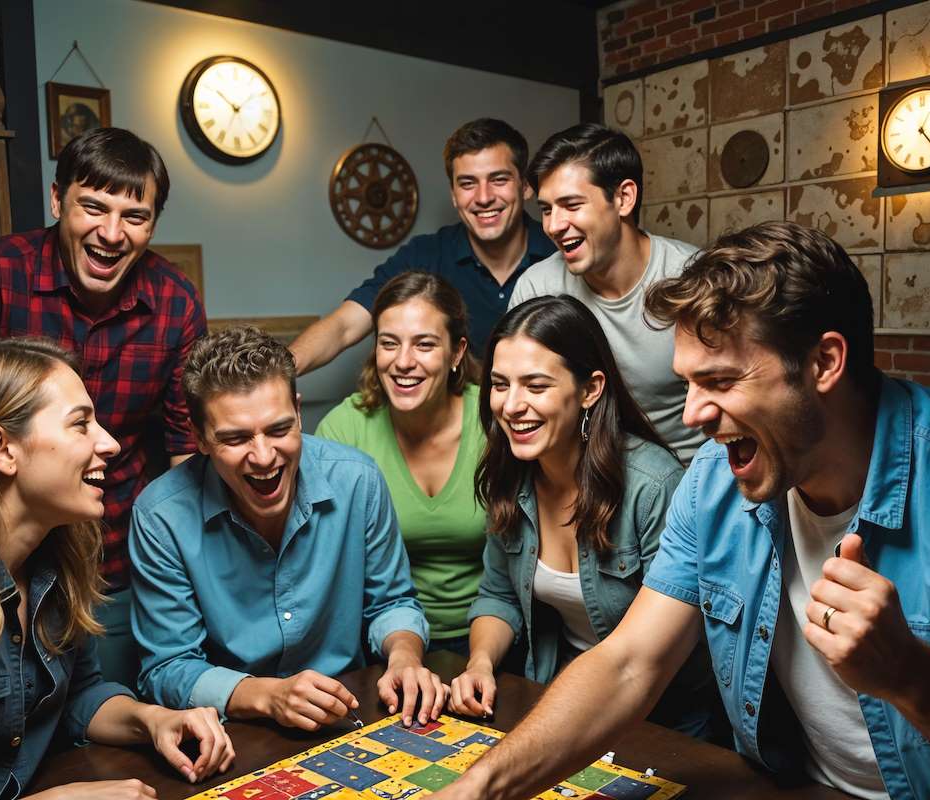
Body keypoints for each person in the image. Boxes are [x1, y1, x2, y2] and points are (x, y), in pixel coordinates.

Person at [428, 221, 930, 800]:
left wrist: (911, 675)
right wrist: (478, 789)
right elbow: (629, 664)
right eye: (687, 382)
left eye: (720, 381)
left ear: (824, 362)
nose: (692, 415)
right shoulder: (713, 479)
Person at [0, 127, 207, 686]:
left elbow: (182, 453)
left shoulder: (175, 301)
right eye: (92, 207)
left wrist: (187, 578)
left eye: (135, 216)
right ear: (56, 200)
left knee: (95, 710)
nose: (111, 233)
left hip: (112, 564)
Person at [130, 326, 446, 732]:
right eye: (236, 438)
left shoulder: (358, 480)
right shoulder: (160, 517)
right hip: (232, 730)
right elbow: (168, 667)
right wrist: (267, 695)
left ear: (298, 412)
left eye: (279, 429)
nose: (263, 457)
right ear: (200, 438)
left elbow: (391, 603)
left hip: (350, 710)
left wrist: (405, 656)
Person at [0, 337, 233, 800]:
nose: (108, 443)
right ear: (2, 448)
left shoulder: (60, 557)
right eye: (80, 425)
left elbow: (79, 695)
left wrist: (153, 720)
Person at [448, 294, 717, 738]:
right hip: (560, 701)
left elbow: (660, 653)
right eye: (500, 384)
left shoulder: (654, 487)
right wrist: (480, 665)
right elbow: (499, 596)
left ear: (590, 389)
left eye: (535, 386)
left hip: (662, 724)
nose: (511, 406)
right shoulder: (510, 476)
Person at [290, 118, 555, 372]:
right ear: (453, 195)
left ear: (525, 187)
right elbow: (345, 325)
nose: (483, 197)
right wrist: (276, 374)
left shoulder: (560, 250)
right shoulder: (426, 255)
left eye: (499, 180)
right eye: (467, 183)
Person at [509, 123, 705, 464]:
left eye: (571, 205)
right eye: (546, 209)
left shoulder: (692, 279)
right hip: (586, 478)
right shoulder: (537, 288)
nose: (554, 225)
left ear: (623, 198)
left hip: (685, 479)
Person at [316, 272, 486, 655]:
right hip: (380, 640)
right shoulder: (343, 431)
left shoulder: (493, 420)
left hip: (491, 636)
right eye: (389, 344)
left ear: (457, 353)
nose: (403, 362)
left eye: (424, 344)